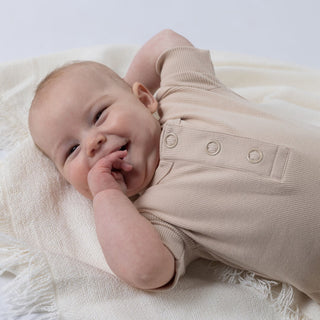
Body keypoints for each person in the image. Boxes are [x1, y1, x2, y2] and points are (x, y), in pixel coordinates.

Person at [28, 29, 320, 302]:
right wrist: (108, 196)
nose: (92, 142)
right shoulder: (157, 218)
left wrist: (125, 93)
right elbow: (146, 271)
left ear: (144, 98)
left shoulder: (187, 92)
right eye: (72, 150)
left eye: (100, 114)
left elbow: (166, 41)